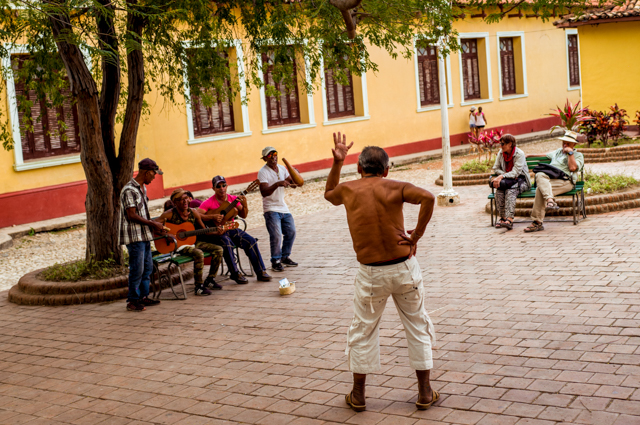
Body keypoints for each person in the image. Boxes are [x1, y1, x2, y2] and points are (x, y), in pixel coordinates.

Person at [324, 133, 438, 412]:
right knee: (418, 325)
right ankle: (425, 392)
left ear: (359, 169)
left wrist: (337, 162)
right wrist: (417, 235)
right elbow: (429, 197)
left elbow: (329, 194)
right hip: (404, 269)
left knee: (363, 330)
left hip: (371, 273)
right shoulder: (396, 186)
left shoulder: (349, 189)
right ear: (387, 170)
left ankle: (359, 395)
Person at [198, 176, 272, 283]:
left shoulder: (233, 199)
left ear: (227, 186)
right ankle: (235, 273)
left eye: (224, 185)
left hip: (231, 228)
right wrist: (212, 217)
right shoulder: (209, 202)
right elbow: (198, 215)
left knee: (250, 241)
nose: (221, 188)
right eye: (218, 186)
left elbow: (244, 215)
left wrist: (244, 204)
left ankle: (261, 272)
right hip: (218, 232)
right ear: (213, 188)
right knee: (226, 243)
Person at [157, 188, 224, 295]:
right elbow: (153, 226)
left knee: (218, 249)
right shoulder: (169, 214)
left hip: (193, 242)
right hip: (177, 246)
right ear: (175, 202)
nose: (185, 201)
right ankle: (199, 286)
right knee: (198, 253)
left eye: (186, 198)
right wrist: (166, 235)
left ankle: (210, 279)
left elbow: (205, 231)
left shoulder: (193, 212)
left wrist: (217, 232)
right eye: (181, 199)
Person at [119, 158, 164, 312]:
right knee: (137, 269)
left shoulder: (142, 188)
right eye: (153, 174)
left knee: (147, 268)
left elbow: (143, 214)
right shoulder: (129, 190)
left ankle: (143, 296)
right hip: (134, 236)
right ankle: (132, 300)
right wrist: (152, 224)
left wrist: (155, 226)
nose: (154, 177)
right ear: (146, 172)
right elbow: (131, 215)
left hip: (144, 235)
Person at [524, 130, 584, 232]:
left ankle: (537, 222)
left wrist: (570, 153)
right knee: (539, 174)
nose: (565, 144)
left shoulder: (578, 155)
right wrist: (529, 155)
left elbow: (573, 168)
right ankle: (550, 200)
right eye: (563, 142)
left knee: (540, 189)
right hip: (551, 180)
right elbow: (544, 154)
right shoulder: (557, 152)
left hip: (565, 182)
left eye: (568, 142)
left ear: (574, 144)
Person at [257, 146, 298, 272]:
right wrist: (277, 184)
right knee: (276, 235)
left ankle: (285, 257)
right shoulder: (262, 172)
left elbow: (290, 182)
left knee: (291, 232)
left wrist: (293, 179)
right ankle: (275, 260)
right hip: (270, 209)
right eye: (269, 155)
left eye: (274, 153)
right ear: (265, 158)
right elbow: (264, 192)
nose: (273, 157)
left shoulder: (282, 168)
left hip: (283, 207)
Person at [490, 134, 531, 230]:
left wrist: (502, 176)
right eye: (500, 143)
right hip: (508, 180)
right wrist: (504, 174)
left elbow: (516, 172)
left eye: (503, 144)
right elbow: (496, 168)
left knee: (510, 191)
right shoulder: (501, 153)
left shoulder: (519, 154)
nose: (501, 146)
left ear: (510, 144)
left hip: (522, 180)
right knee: (499, 190)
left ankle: (509, 219)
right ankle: (503, 218)